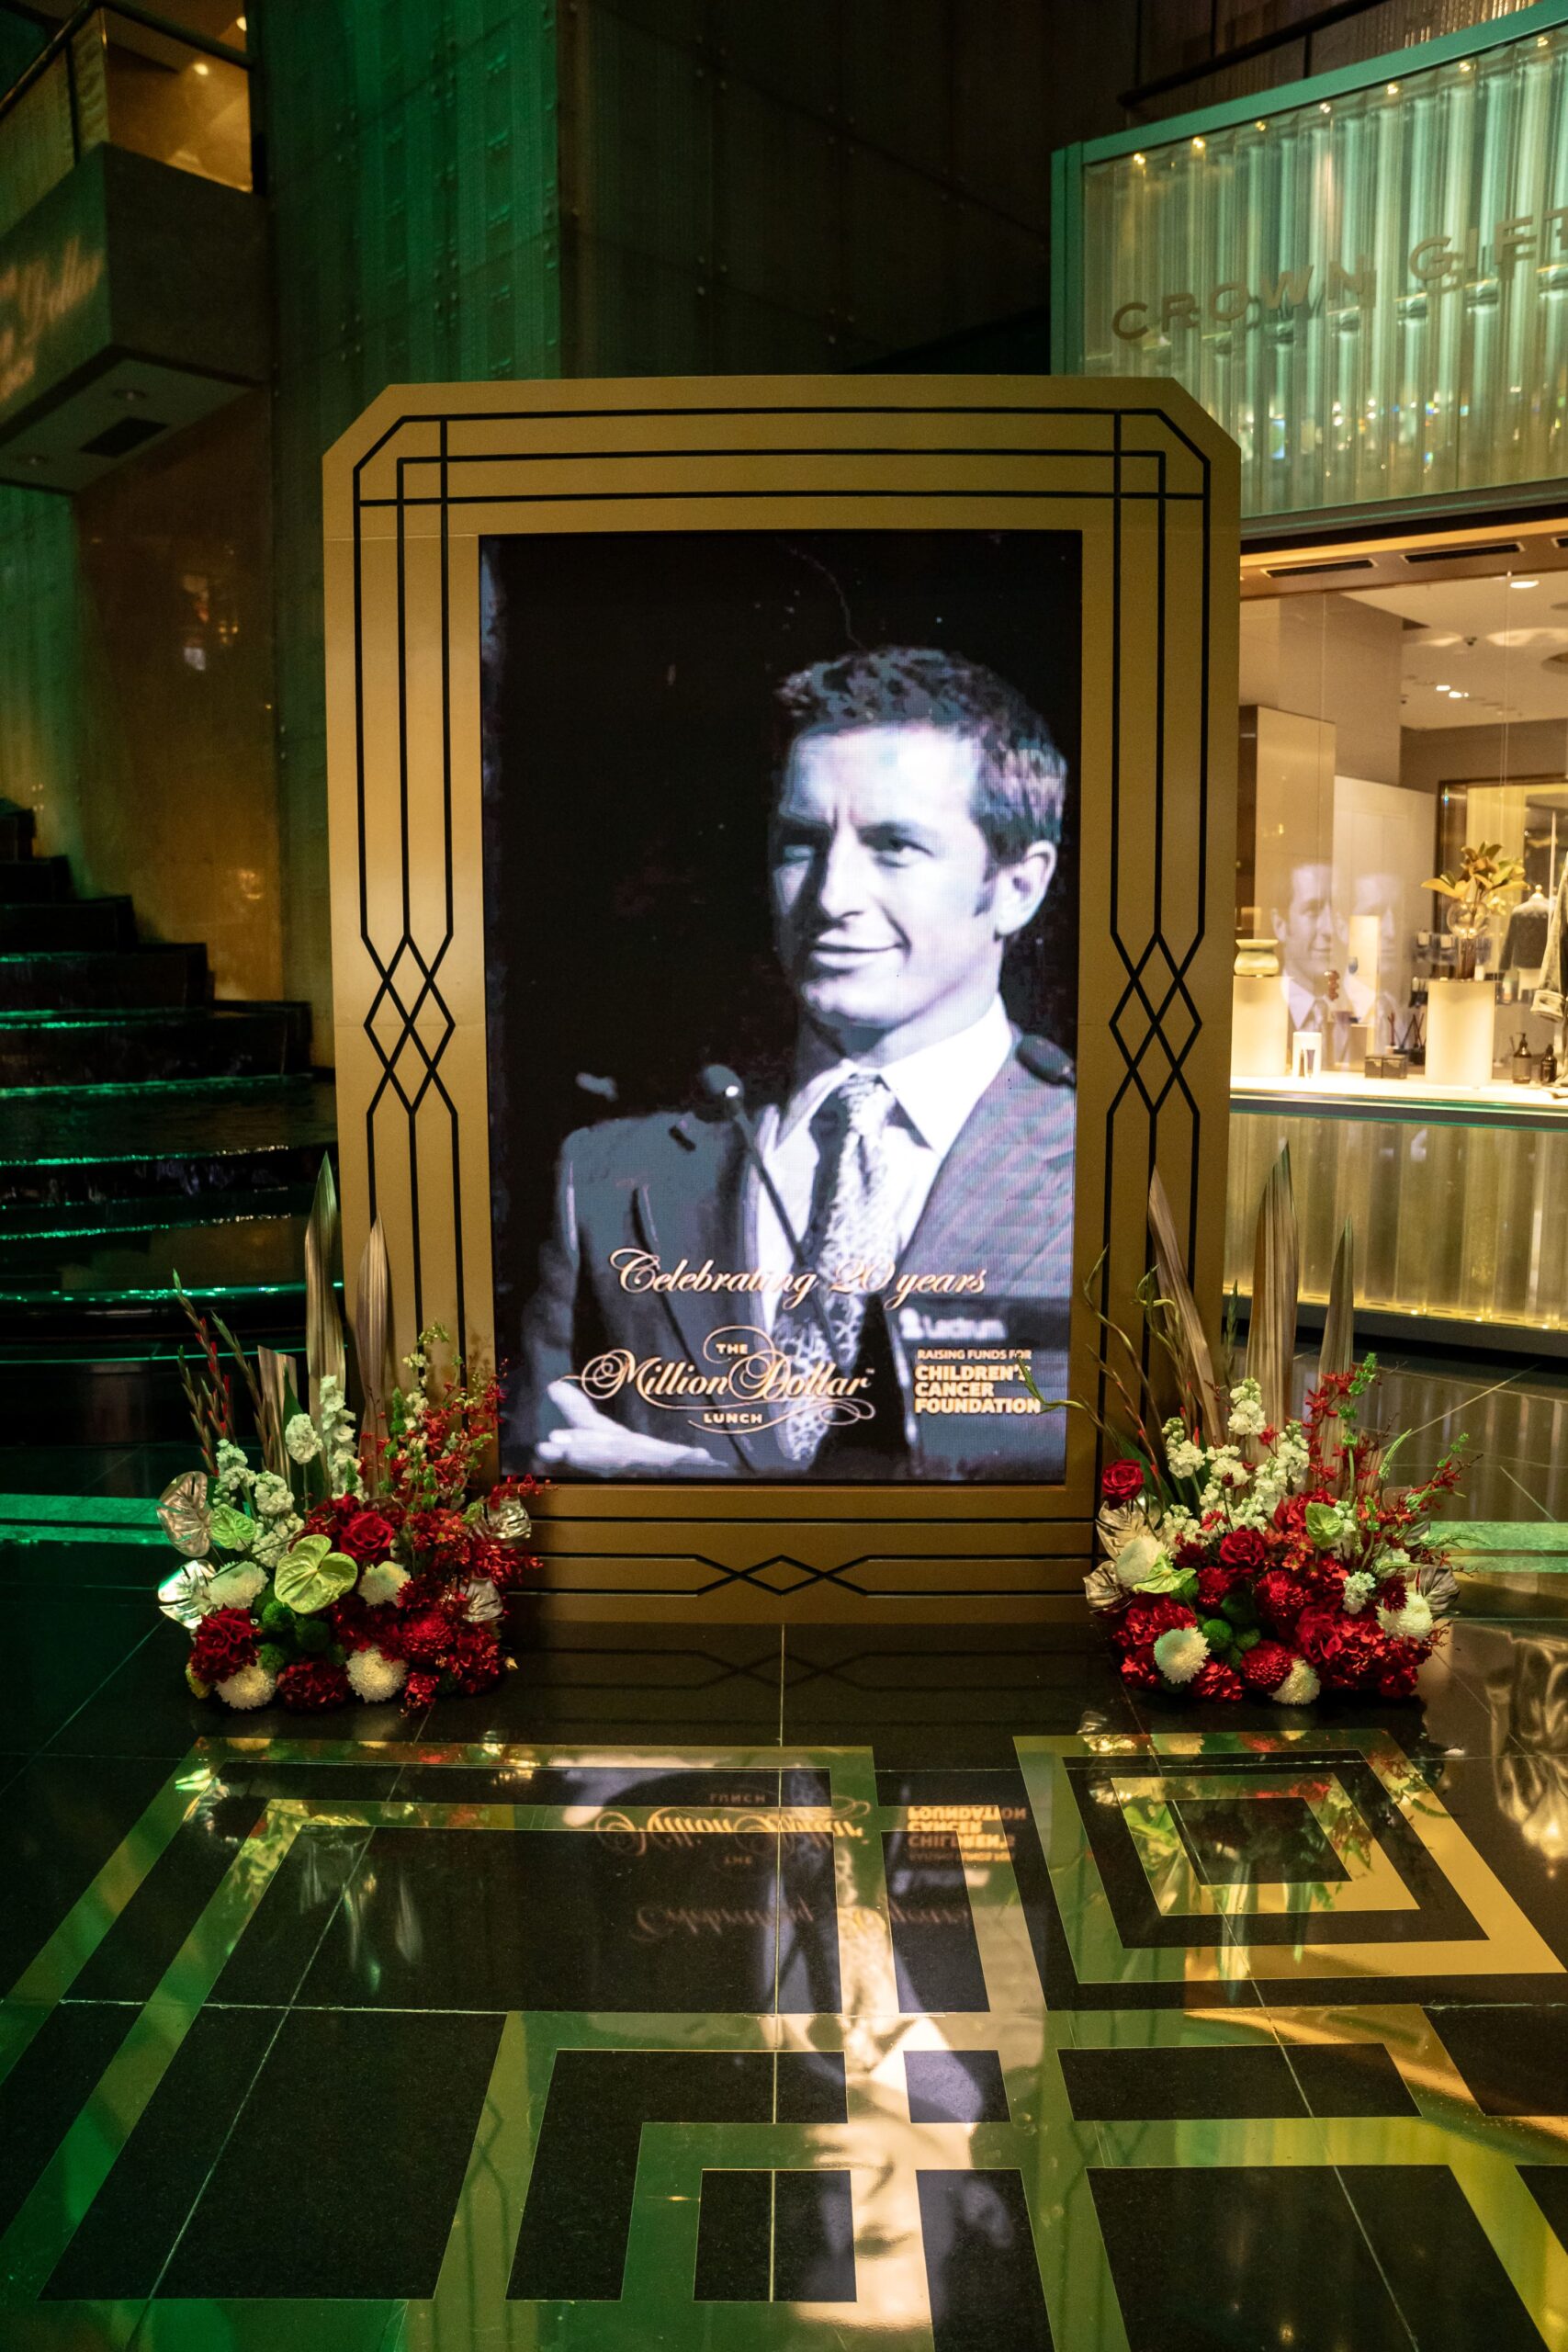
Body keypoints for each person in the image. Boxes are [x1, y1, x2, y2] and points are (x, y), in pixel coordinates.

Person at [506, 646, 1077, 1480]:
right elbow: (535, 1480)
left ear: (1017, 887)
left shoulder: (1103, 1163)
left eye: (893, 845)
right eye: (800, 843)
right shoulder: (606, 1177)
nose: (830, 895)